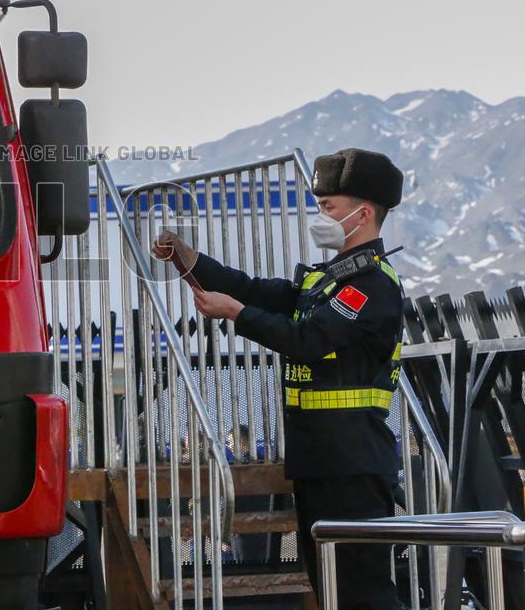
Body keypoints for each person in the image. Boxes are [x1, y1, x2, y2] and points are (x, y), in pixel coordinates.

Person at [151, 147, 406, 610]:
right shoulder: (327, 280)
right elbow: (256, 291)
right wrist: (192, 262)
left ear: (363, 214)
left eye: (329, 207)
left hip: (354, 466)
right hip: (321, 463)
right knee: (330, 590)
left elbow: (307, 339)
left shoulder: (372, 285)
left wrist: (236, 314)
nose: (320, 215)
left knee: (363, 594)